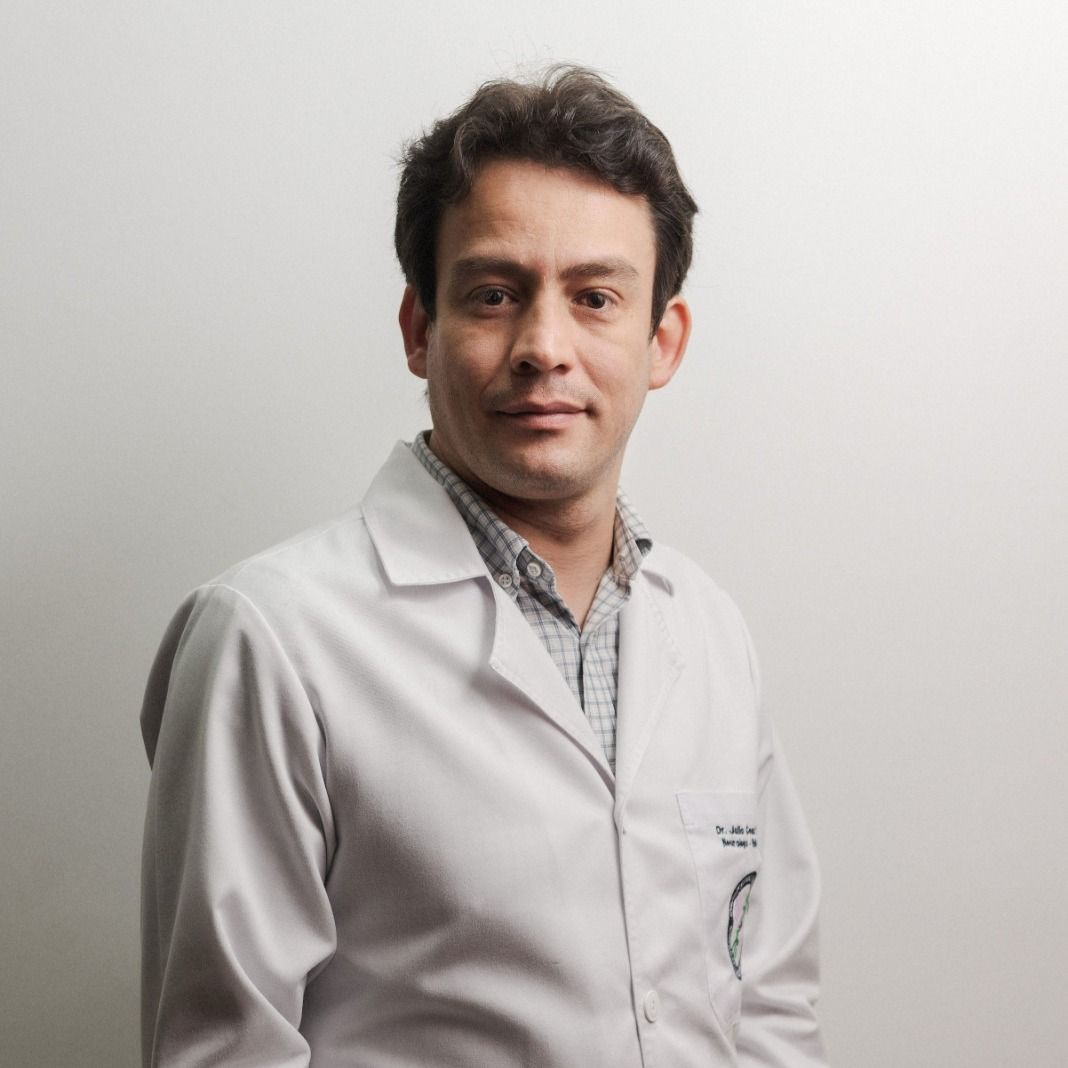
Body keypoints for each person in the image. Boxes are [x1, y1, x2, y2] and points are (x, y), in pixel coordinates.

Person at [140, 65, 829, 1067]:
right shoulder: (270, 637)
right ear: (421, 329)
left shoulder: (709, 628)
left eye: (596, 298)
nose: (544, 347)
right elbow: (226, 1051)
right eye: (496, 295)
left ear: (662, 340)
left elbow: (767, 1004)